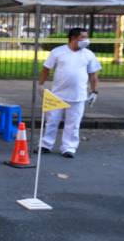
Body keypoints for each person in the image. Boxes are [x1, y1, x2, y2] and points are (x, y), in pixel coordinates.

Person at [37, 27, 101, 158]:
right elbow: (45, 69)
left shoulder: (88, 54)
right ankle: (45, 145)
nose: (86, 40)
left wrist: (94, 91)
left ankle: (69, 148)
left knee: (73, 123)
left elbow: (93, 74)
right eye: (83, 37)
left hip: (78, 96)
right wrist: (41, 85)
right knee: (52, 121)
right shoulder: (58, 52)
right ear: (73, 38)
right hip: (57, 95)